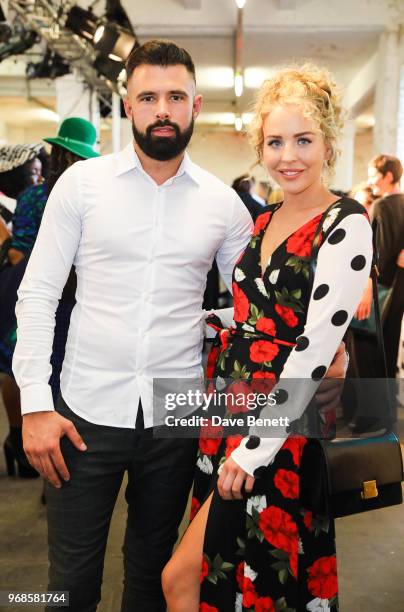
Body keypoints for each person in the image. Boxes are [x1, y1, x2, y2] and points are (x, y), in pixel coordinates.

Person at [13, 42, 347, 612]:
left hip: (179, 415)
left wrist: (329, 327)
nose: (161, 108)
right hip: (81, 411)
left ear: (194, 104)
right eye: (148, 96)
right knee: (67, 585)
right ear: (128, 105)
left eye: (174, 97)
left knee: (153, 575)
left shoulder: (225, 207)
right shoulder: (82, 186)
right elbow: (38, 293)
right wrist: (35, 404)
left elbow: (258, 307)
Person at [162, 64, 372, 611]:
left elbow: (313, 348)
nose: (288, 156)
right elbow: (256, 315)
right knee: (222, 581)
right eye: (275, 141)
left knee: (195, 578)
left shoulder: (345, 222)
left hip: (276, 431)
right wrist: (201, 319)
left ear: (328, 142)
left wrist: (255, 453)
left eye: (303, 140)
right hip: (226, 415)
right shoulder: (264, 220)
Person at [0, 120, 99, 479]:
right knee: (54, 371)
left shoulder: (38, 197)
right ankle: (45, 445)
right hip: (63, 299)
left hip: (48, 299)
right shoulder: (89, 194)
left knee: (36, 369)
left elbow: (16, 253)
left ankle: (41, 447)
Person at [0, 143, 45, 478]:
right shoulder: (12, 206)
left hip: (20, 286)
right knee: (13, 365)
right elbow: (12, 254)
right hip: (9, 290)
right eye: (31, 171)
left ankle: (17, 442)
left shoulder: (23, 203)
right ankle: (17, 437)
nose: (38, 174)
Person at [367, 154, 404, 379]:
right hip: (399, 286)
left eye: (374, 176)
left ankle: (374, 410)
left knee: (374, 352)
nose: (370, 182)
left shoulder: (381, 206)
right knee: (391, 347)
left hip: (380, 288)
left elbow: (376, 255)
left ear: (388, 176)